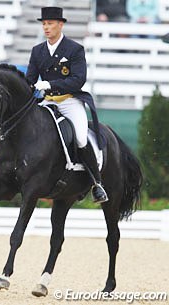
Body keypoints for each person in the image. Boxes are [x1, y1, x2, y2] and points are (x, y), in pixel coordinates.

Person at [26, 7, 108, 203]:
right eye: (44, 24)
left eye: (50, 23)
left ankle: (97, 184)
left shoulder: (74, 49)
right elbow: (29, 79)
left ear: (60, 25)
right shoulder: (37, 51)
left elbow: (78, 79)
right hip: (47, 102)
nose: (46, 27)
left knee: (80, 137)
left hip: (69, 100)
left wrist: (51, 84)